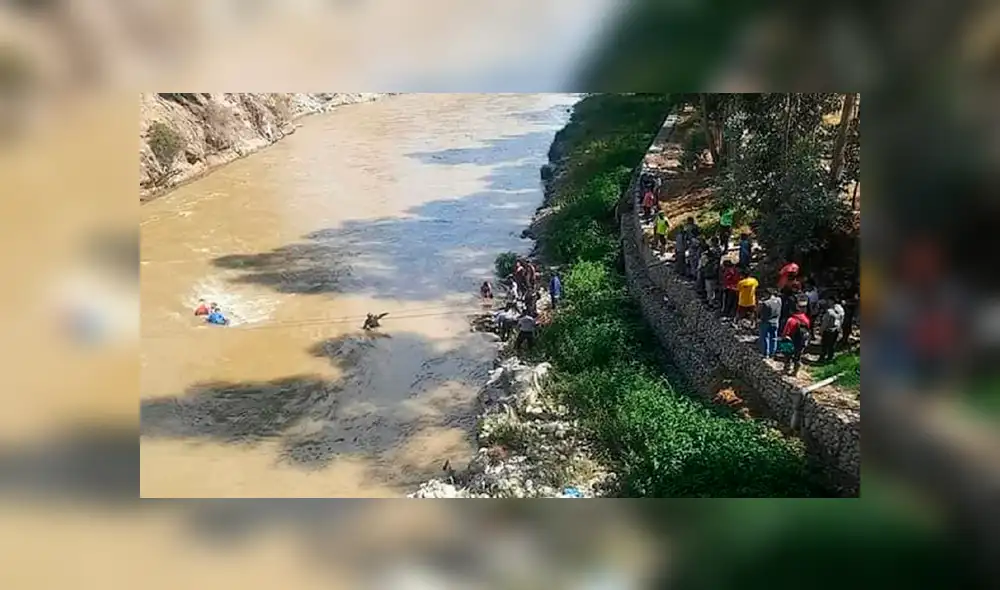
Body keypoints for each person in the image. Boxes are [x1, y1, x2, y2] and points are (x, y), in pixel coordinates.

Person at [781, 302, 812, 375]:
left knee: (787, 356)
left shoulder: (791, 320)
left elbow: (786, 333)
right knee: (797, 357)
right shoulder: (805, 318)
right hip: (801, 341)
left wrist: (783, 339)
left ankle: (786, 369)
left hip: (790, 341)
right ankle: (795, 371)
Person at [818, 296, 845, 363]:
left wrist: (821, 330)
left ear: (832, 301)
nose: (827, 302)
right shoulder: (841, 309)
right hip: (836, 329)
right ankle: (830, 358)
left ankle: (822, 358)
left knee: (824, 345)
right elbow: (842, 319)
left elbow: (825, 323)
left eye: (829, 301)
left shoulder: (829, 311)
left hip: (828, 330)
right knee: (832, 345)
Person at [757, 288, 782, 358]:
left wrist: (760, 304)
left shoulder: (765, 303)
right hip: (776, 321)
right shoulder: (779, 300)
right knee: (774, 337)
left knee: (765, 338)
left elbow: (760, 312)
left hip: (766, 322)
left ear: (767, 294)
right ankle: (772, 352)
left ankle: (766, 353)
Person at [703, 239, 721, 307]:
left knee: (710, 289)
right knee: (711, 289)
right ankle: (710, 301)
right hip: (712, 275)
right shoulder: (714, 261)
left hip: (709, 275)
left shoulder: (708, 260)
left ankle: (710, 302)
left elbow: (703, 265)